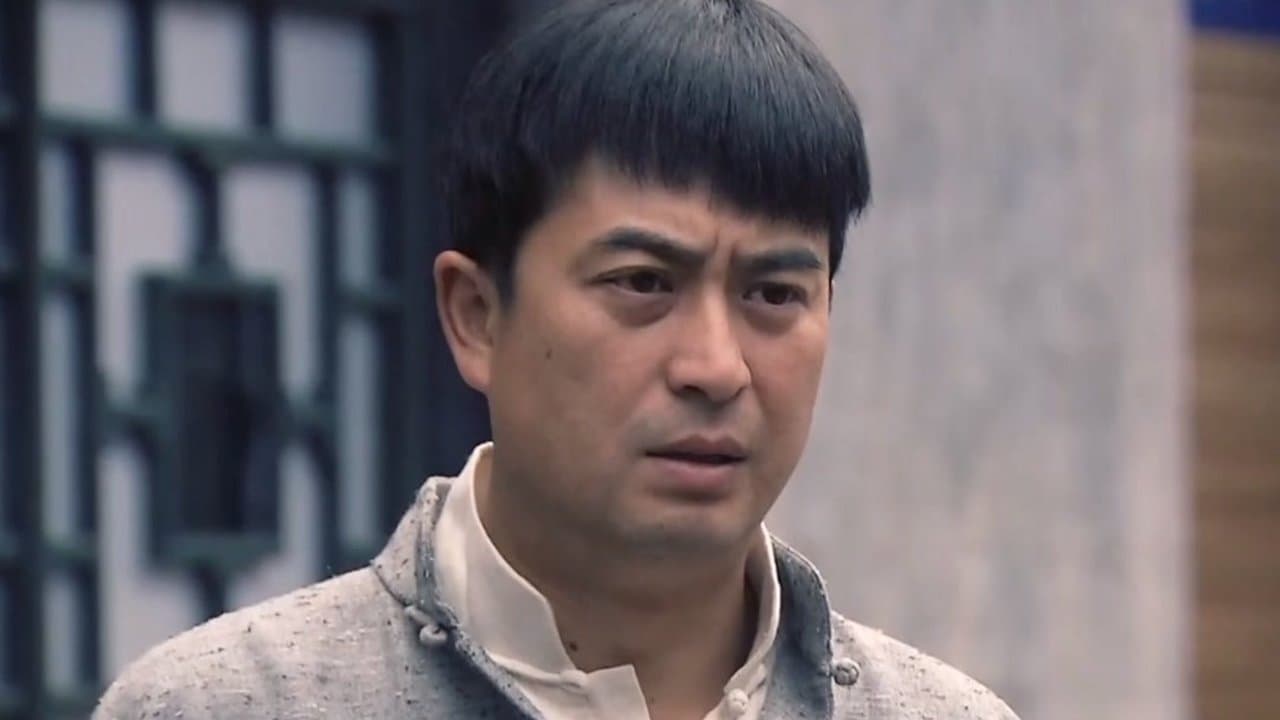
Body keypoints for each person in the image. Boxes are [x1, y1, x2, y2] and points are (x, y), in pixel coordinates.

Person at [95, 0, 1020, 718]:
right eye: (642, 282)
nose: (715, 367)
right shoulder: (233, 704)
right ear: (476, 316)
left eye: (773, 295)